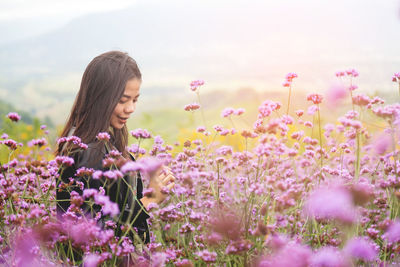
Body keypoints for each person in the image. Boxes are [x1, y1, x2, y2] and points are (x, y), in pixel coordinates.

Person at [55, 51, 175, 245]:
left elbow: (117, 210)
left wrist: (149, 187)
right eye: (122, 100)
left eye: (135, 99)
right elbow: (93, 238)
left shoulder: (101, 143)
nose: (130, 109)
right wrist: (149, 202)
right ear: (100, 98)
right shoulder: (87, 152)